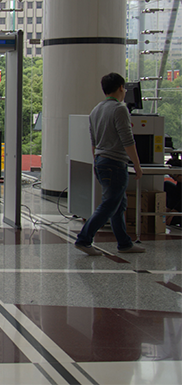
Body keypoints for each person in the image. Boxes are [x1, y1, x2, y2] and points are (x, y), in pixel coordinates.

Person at [74, 72, 145, 256]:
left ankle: (124, 243)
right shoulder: (119, 109)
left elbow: (93, 141)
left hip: (101, 161)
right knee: (109, 204)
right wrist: (136, 165)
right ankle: (84, 239)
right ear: (121, 88)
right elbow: (127, 140)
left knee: (118, 204)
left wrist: (97, 161)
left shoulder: (96, 110)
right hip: (115, 163)